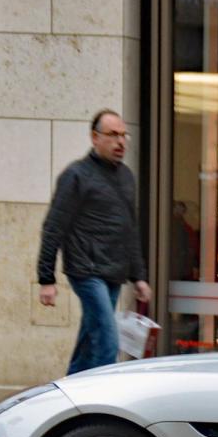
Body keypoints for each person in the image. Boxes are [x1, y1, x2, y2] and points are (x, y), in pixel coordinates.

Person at [37, 109, 151, 375]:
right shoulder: (76, 176)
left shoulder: (126, 177)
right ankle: (102, 403)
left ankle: (69, 387)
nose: (120, 142)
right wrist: (46, 278)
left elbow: (129, 229)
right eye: (113, 135)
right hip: (86, 271)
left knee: (90, 338)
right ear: (94, 138)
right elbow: (54, 226)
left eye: (124, 135)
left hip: (113, 272)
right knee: (107, 340)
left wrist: (139, 277)